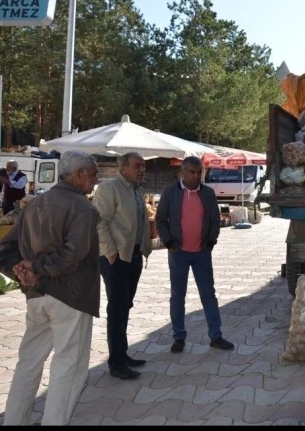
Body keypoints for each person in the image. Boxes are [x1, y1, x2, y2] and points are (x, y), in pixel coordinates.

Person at [0, 150, 100, 425]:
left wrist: (22, 271)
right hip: (70, 297)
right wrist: (31, 269)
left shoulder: (35, 204)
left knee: (28, 363)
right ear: (78, 174)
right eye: (93, 173)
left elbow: (5, 250)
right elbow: (72, 255)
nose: (96, 179)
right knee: (69, 367)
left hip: (38, 295)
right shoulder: (84, 208)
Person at [155, 156, 234, 354]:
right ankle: (178, 337)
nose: (196, 176)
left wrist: (211, 241)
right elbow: (160, 219)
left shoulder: (207, 193)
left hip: (201, 254)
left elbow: (215, 220)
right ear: (182, 172)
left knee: (208, 295)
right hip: (178, 253)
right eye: (192, 172)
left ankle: (216, 336)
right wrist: (169, 242)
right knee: (177, 296)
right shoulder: (170, 192)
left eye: (200, 172)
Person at [93, 152, 152, 380]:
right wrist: (110, 253)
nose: (142, 170)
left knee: (125, 305)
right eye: (137, 166)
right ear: (123, 168)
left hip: (134, 256)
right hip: (116, 258)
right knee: (117, 309)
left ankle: (122, 354)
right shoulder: (109, 189)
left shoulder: (137, 190)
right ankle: (116, 363)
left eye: (144, 166)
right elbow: (100, 221)